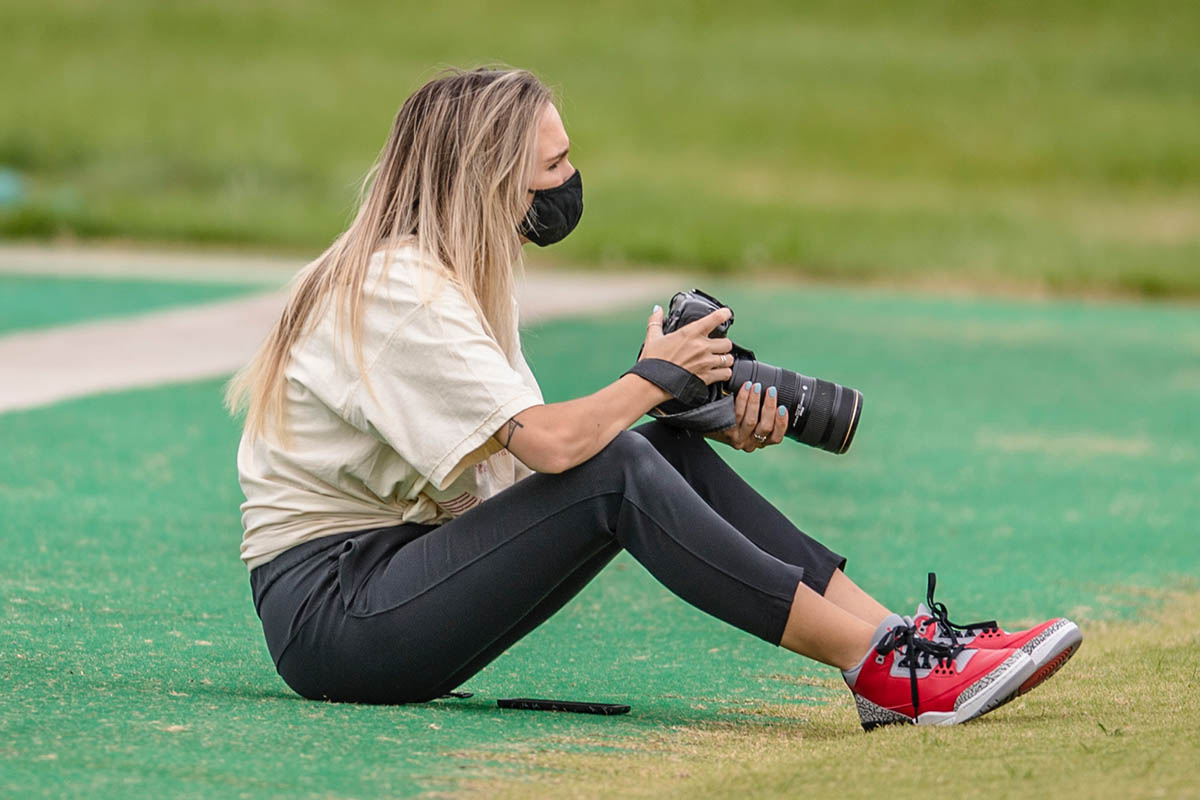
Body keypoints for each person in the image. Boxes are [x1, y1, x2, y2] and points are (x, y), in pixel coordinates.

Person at [226, 67, 1080, 730]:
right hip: (334, 612)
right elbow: (556, 452)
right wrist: (653, 378)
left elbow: (527, 466)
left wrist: (672, 405)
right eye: (552, 165)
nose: (569, 179)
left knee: (649, 450)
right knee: (618, 468)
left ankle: (903, 640)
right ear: (489, 177)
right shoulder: (396, 289)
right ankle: (883, 668)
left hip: (393, 578)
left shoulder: (454, 276)